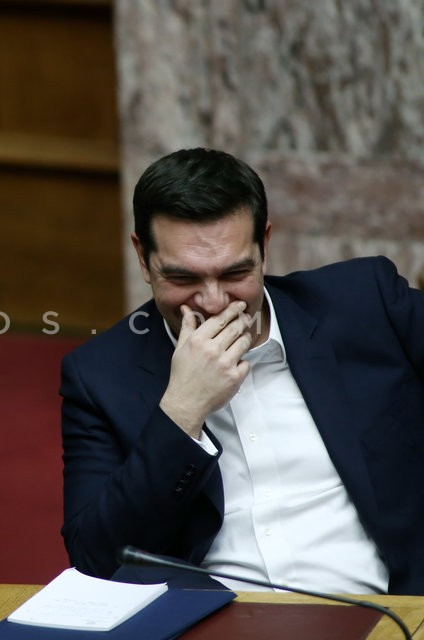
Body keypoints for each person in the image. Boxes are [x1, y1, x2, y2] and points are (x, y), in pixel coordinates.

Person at [60, 147, 424, 594]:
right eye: (183, 278)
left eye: (235, 273)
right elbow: (95, 560)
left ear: (264, 245)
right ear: (142, 257)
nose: (213, 301)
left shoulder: (366, 303)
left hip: (391, 614)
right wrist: (181, 412)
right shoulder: (99, 376)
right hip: (222, 622)